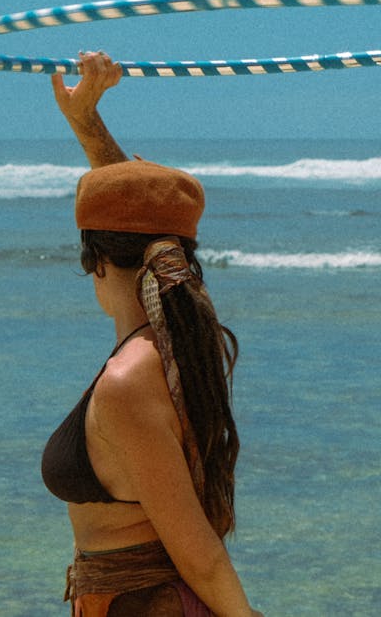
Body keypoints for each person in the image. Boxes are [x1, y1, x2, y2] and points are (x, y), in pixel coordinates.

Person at [43, 51, 263, 617]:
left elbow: (201, 556)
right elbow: (142, 207)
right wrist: (86, 123)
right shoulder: (184, 345)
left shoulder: (131, 380)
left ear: (94, 264)